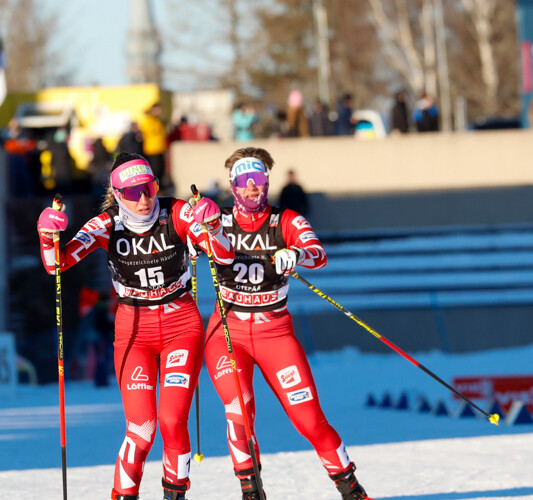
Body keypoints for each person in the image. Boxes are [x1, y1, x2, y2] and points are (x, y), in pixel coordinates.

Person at [37, 152, 235, 500]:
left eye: (149, 188)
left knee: (172, 421)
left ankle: (174, 494)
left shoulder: (177, 212)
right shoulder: (106, 224)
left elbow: (223, 255)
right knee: (142, 430)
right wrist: (47, 233)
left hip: (180, 326)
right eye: (132, 193)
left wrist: (214, 226)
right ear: (117, 194)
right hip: (134, 329)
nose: (144, 199)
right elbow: (57, 264)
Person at [202, 147, 371, 500]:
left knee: (309, 419)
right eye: (245, 182)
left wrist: (296, 254)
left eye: (259, 180)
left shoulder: (286, 220)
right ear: (233, 186)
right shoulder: (218, 221)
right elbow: (182, 231)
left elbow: (318, 253)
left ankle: (351, 489)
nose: (252, 188)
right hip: (227, 334)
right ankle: (251, 492)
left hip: (274, 333)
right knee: (239, 413)